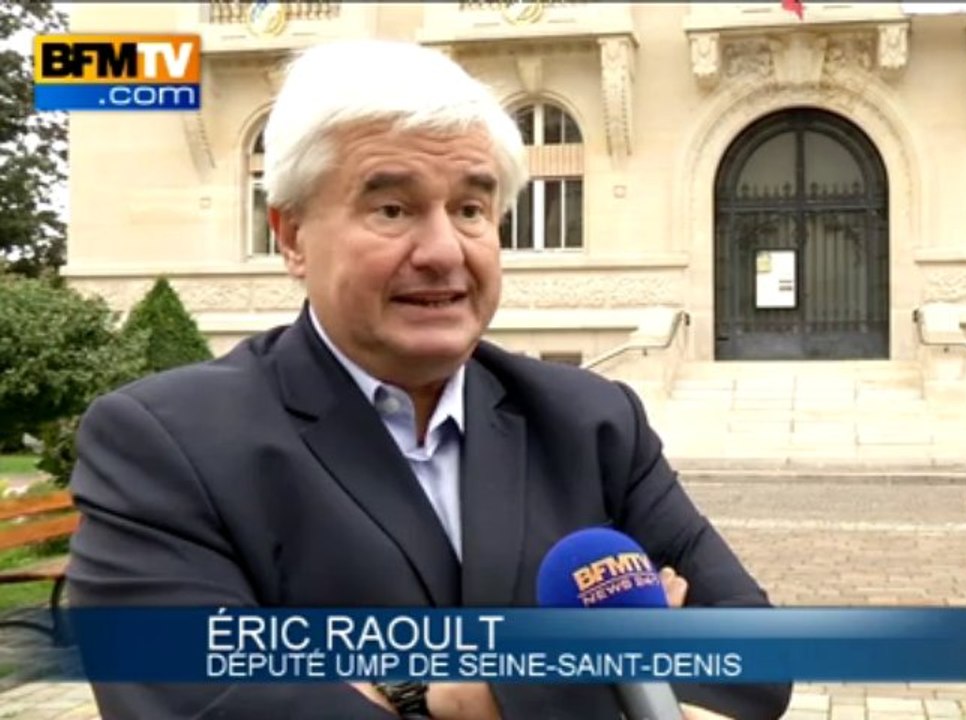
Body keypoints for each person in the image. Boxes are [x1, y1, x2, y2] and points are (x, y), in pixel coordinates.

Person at [66, 39, 792, 720]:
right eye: (392, 209)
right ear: (290, 236)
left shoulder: (592, 421)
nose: (444, 251)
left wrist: (433, 692)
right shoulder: (166, 445)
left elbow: (755, 670)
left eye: (471, 209)